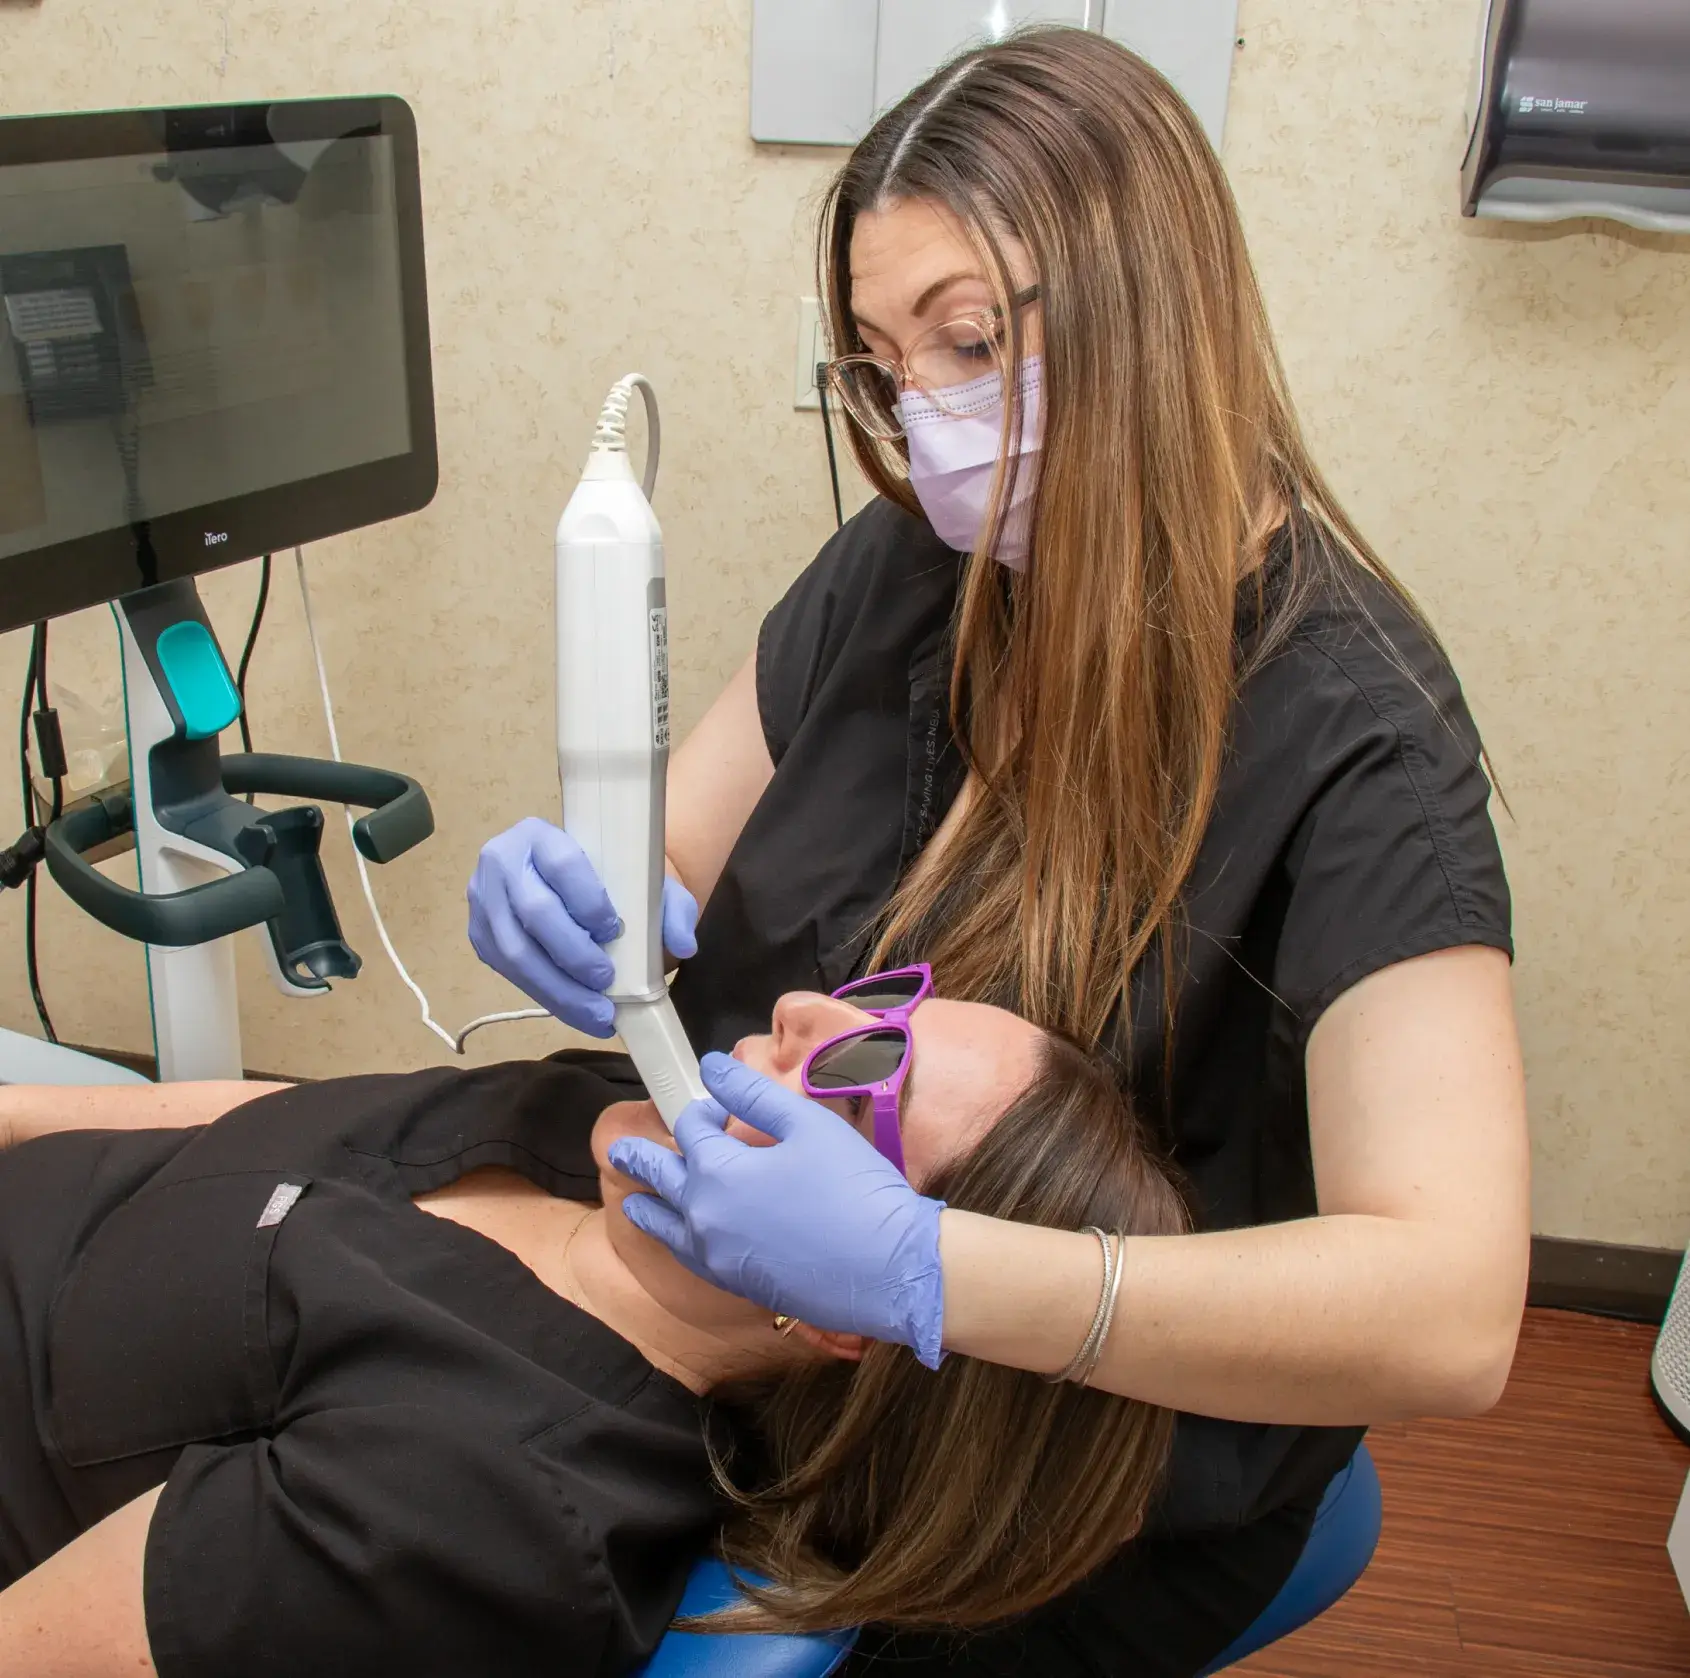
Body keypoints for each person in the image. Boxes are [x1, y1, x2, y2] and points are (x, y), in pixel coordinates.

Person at [467, 25, 1532, 1676]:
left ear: (1148, 301)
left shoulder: (1356, 734)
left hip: (1079, 1456)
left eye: (969, 342)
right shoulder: (904, 570)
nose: (927, 419)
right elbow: (670, 854)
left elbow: (1449, 1311)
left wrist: (927, 1266)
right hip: (774, 1338)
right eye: (886, 367)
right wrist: (612, 908)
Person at [0, 982, 1186, 1675]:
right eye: (886, 997)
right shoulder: (589, 1126)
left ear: (848, 1312)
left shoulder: (484, 1507)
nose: (797, 1003)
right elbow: (282, 1122)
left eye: (864, 1063)